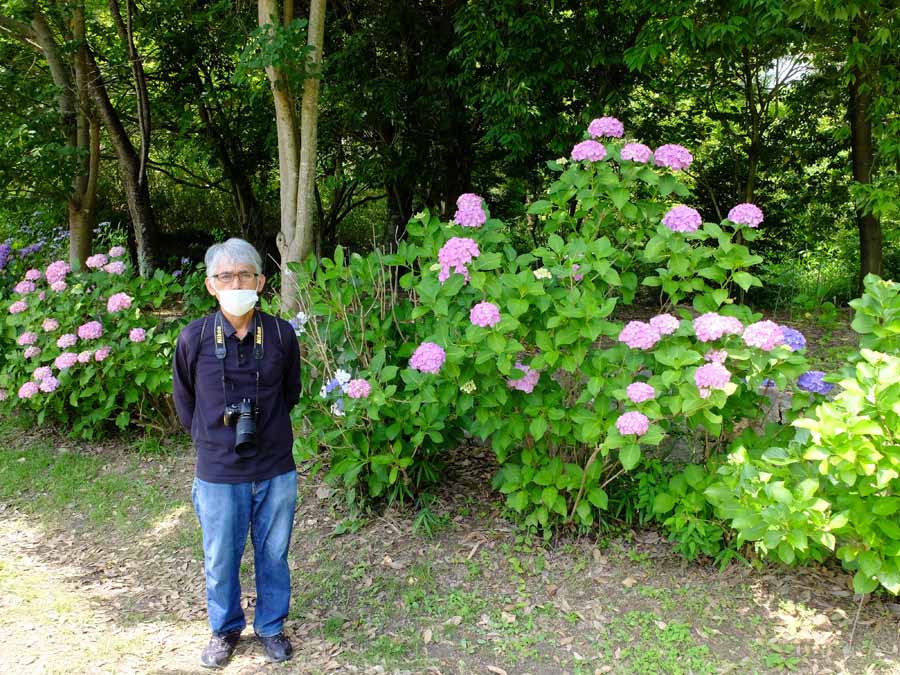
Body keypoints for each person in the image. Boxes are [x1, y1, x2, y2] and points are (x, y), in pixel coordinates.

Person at [173, 238, 301, 668]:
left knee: (273, 552)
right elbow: (185, 403)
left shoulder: (282, 333)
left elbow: (292, 393)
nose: (236, 282)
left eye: (245, 274)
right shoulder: (193, 338)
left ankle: (271, 627)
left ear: (261, 281)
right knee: (221, 555)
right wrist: (213, 442)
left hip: (275, 466)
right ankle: (224, 629)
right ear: (211, 285)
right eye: (225, 276)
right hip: (218, 471)